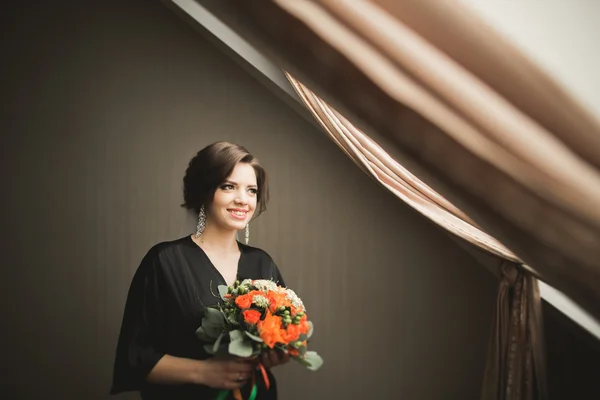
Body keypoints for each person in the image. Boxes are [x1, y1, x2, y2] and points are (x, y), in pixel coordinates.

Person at [110, 142, 290, 399]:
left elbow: (279, 336)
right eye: (228, 186)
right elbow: (134, 356)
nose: (242, 199)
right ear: (205, 191)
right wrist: (202, 371)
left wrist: (277, 352)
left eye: (251, 190)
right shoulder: (165, 262)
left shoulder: (263, 263)